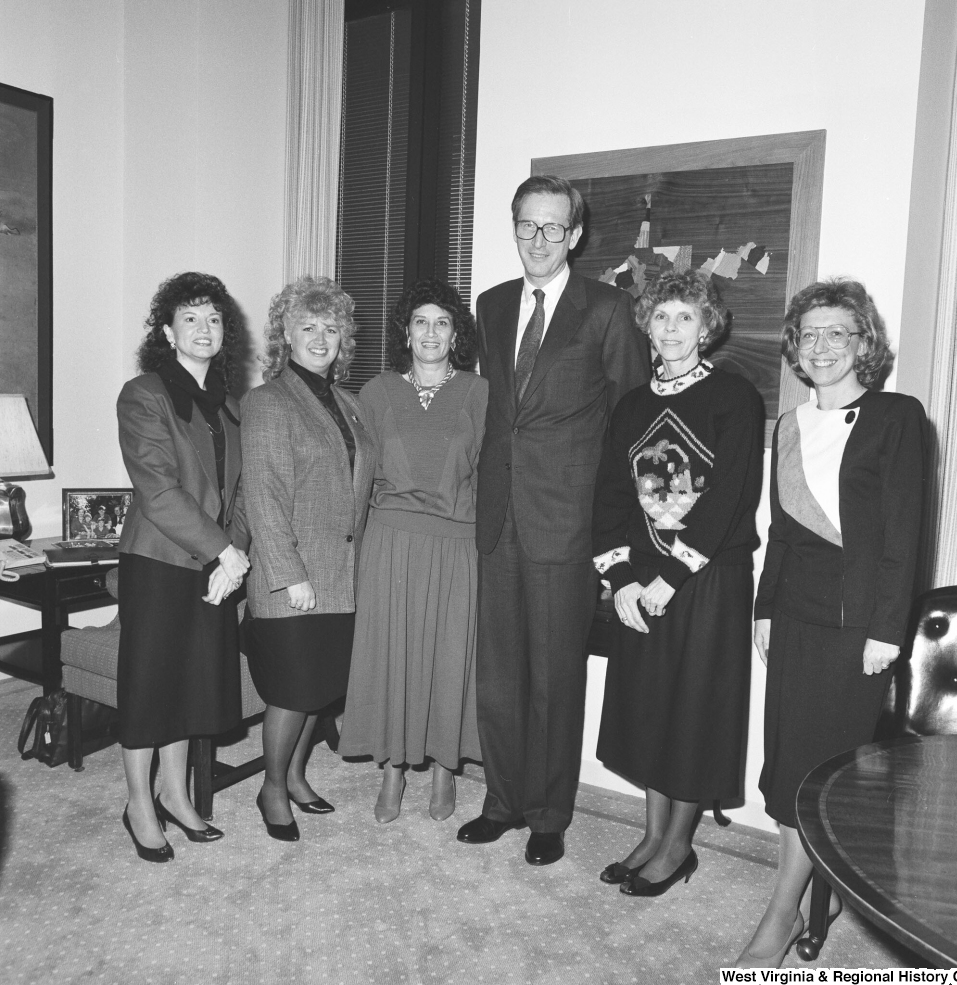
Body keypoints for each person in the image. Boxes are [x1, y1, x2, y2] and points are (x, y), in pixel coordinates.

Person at [457, 174, 650, 866]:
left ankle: (548, 812)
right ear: (514, 229)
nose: (537, 241)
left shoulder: (608, 309)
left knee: (555, 675)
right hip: (499, 514)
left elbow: (633, 423)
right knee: (500, 674)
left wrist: (616, 532)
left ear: (574, 235)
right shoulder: (492, 303)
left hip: (567, 521)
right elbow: (500, 413)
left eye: (551, 228)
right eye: (525, 226)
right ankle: (502, 801)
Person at [736, 278, 927, 967]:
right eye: (808, 333)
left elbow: (904, 534)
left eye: (836, 332)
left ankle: (782, 912)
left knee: (819, 769)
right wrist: (764, 606)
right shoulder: (789, 425)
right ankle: (819, 889)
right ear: (795, 346)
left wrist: (887, 629)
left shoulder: (897, 416)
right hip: (794, 617)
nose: (821, 345)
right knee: (787, 760)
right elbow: (781, 532)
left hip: (856, 628)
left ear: (863, 344)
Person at [592, 269, 764, 896]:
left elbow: (731, 498)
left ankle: (678, 847)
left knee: (693, 713)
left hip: (708, 581)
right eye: (661, 316)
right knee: (648, 709)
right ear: (647, 324)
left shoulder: (734, 397)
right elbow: (609, 497)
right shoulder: (634, 405)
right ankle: (652, 832)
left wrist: (670, 577)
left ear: (706, 327)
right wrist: (623, 579)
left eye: (684, 317)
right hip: (643, 581)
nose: (671, 329)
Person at [339, 278, 486, 823]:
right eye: (421, 321)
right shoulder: (376, 393)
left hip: (456, 543)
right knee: (392, 655)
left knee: (450, 656)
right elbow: (358, 475)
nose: (431, 332)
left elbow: (492, 473)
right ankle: (393, 770)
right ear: (406, 330)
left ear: (456, 335)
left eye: (442, 323)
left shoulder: (479, 392)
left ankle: (444, 769)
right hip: (391, 542)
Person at [116, 271, 251, 862]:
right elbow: (159, 492)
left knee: (189, 685)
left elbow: (243, 494)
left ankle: (174, 793)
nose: (204, 329)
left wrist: (234, 556)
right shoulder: (143, 394)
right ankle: (138, 805)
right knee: (150, 687)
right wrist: (225, 550)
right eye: (190, 318)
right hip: (161, 560)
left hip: (216, 566)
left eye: (214, 318)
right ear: (168, 331)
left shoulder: (233, 406)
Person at [240, 276, 376, 842]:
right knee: (292, 693)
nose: (320, 338)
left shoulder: (349, 403)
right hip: (291, 579)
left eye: (331, 328)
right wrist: (289, 574)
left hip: (342, 576)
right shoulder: (267, 401)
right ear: (285, 337)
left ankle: (296, 776)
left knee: (320, 689)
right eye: (307, 327)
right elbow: (263, 496)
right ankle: (271, 788)